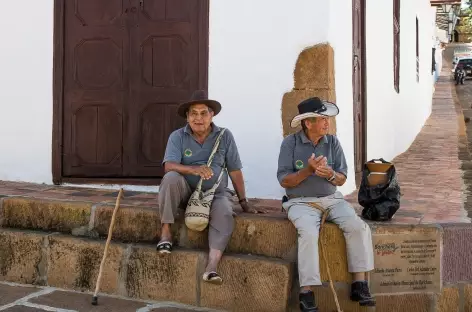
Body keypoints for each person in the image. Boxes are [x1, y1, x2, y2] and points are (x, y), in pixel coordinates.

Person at [277, 97, 375, 311]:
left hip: (332, 200)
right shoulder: (290, 143)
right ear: (308, 123)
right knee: (308, 234)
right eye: (321, 119)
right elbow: (284, 180)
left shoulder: (332, 142)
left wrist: (330, 174)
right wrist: (308, 171)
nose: (327, 123)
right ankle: (307, 292)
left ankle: (360, 283)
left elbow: (342, 178)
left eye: (327, 119)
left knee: (358, 227)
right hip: (300, 202)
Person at [157, 90, 265, 285]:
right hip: (185, 191)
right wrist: (194, 169)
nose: (199, 118)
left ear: (211, 115)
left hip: (216, 192)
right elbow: (169, 165)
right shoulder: (177, 136)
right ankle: (165, 232)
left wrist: (244, 202)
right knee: (171, 178)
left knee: (224, 210)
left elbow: (234, 170)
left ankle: (212, 266)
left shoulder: (224, 136)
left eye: (203, 113)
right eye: (194, 113)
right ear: (188, 117)